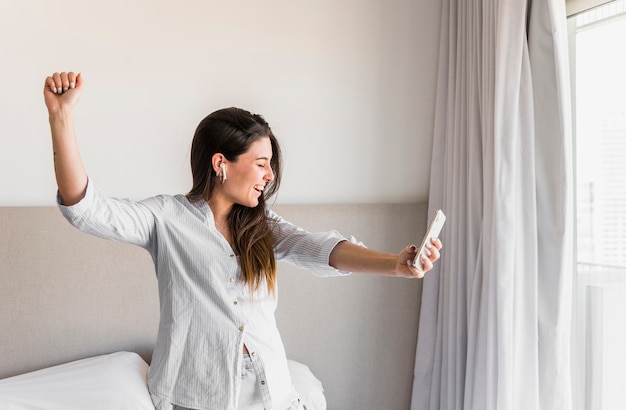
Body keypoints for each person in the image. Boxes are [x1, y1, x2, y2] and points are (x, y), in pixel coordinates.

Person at [43, 71, 442, 410]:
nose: (269, 176)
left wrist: (396, 263)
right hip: (195, 398)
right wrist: (61, 118)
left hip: (276, 395)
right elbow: (88, 210)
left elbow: (322, 249)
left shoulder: (262, 225)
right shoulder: (165, 218)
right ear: (221, 163)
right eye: (261, 163)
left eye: (271, 164)